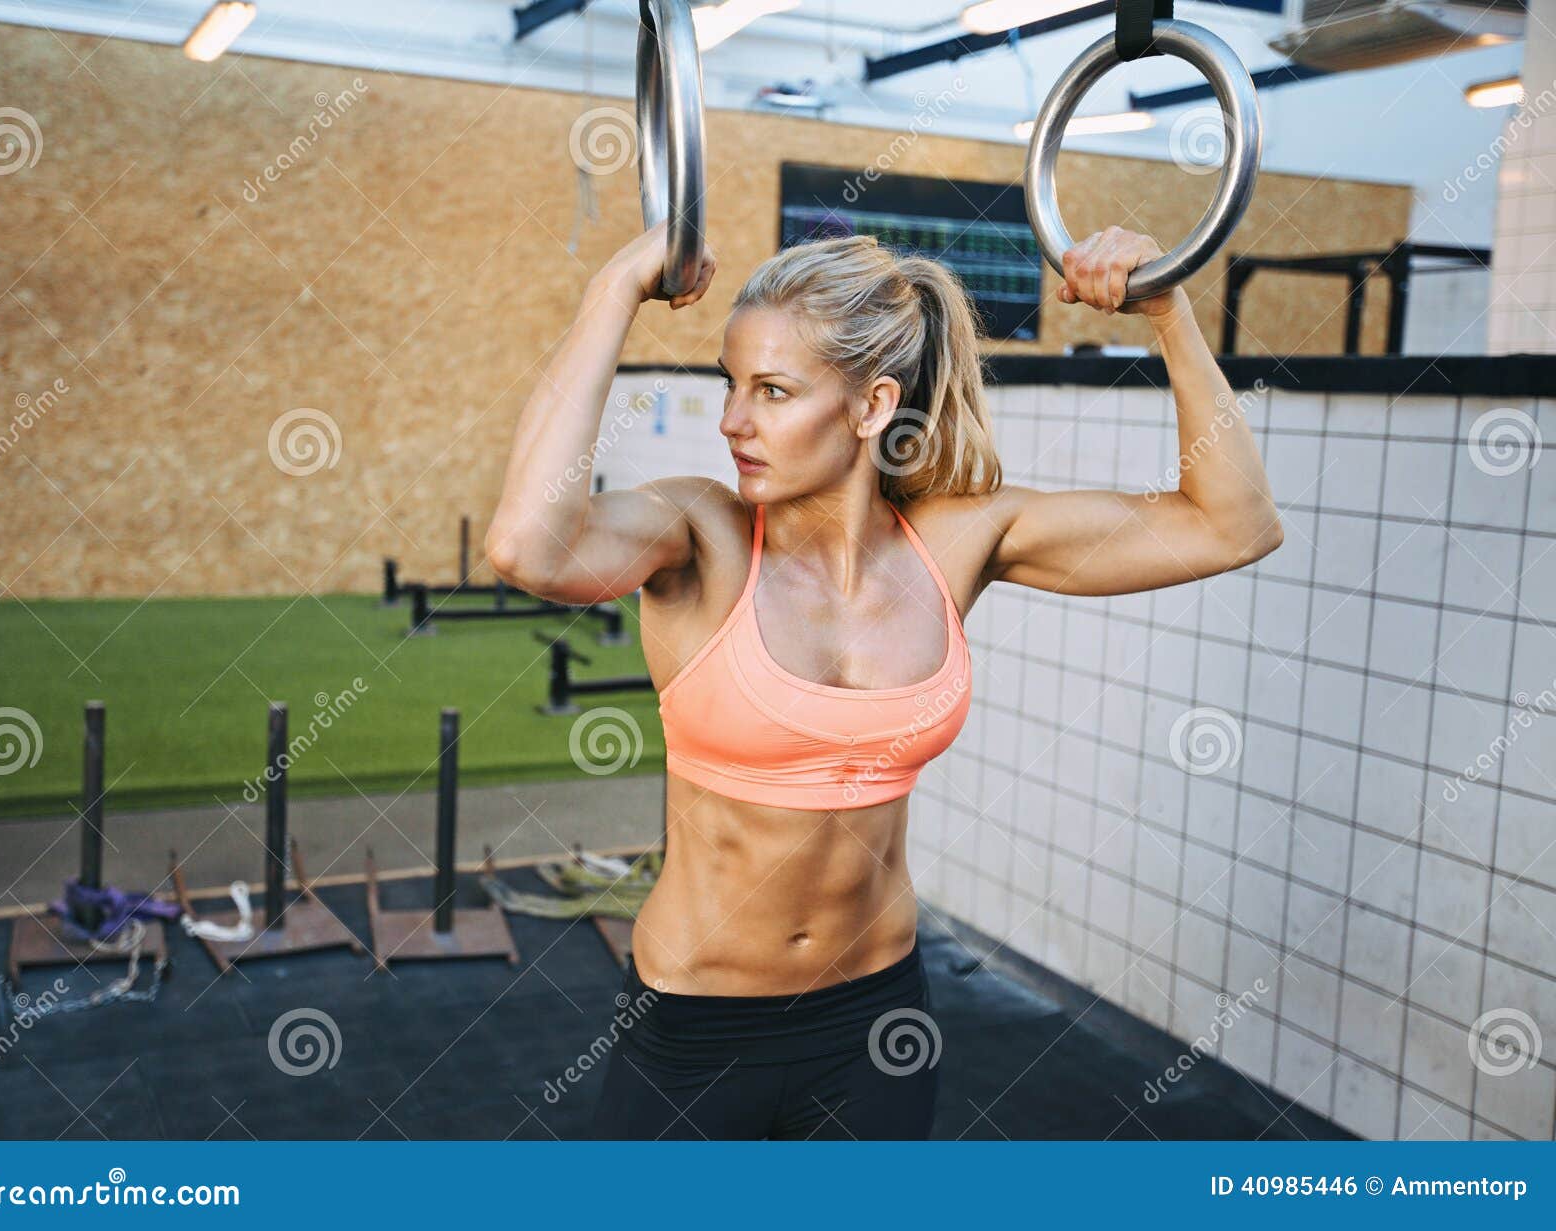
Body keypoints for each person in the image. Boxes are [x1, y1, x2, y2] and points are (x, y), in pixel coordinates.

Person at [486, 219, 1283, 1140]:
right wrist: (617, 287)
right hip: (693, 1030)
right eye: (730, 386)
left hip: (876, 1025)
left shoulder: (954, 543)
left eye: (773, 391)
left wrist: (1170, 313)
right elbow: (525, 547)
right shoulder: (699, 535)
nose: (733, 421)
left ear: (871, 408)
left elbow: (1234, 526)